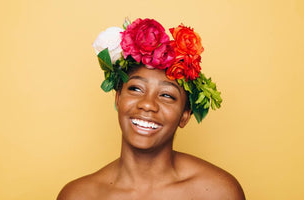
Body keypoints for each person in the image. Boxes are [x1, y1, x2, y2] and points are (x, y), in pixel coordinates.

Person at [57, 18, 245, 200]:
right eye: (136, 89)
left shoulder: (217, 192)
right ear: (118, 98)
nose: (147, 104)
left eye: (166, 95)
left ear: (185, 115)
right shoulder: (78, 195)